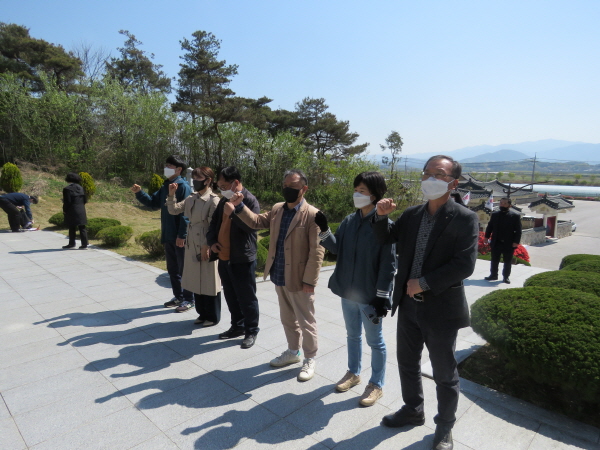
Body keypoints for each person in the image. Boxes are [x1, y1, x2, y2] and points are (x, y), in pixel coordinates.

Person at [372, 155, 479, 450]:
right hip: (408, 305)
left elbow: (465, 264)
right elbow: (385, 238)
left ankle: (444, 427)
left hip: (441, 309)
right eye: (427, 173)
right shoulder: (411, 215)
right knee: (407, 363)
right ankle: (412, 410)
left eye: (439, 174)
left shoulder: (464, 218)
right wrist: (380, 216)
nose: (431, 179)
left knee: (444, 373)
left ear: (453, 183)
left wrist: (425, 282)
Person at [228, 169, 325, 381]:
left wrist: (310, 280)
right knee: (288, 319)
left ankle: (310, 358)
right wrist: (240, 206)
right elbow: (256, 222)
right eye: (285, 186)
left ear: (304, 189)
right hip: (280, 274)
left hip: (300, 278)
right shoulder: (277, 209)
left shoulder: (312, 215)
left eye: (293, 187)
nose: (287, 190)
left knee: (306, 321)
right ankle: (293, 352)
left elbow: (317, 251)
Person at [317, 171, 396, 405]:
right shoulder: (349, 221)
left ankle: (377, 384)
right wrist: (324, 230)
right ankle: (353, 373)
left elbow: (389, 264)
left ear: (375, 194)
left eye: (362, 191)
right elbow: (337, 249)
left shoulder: (384, 225)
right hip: (348, 292)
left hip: (370, 296)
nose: (357, 195)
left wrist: (382, 296)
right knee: (352, 335)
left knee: (375, 342)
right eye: (355, 190)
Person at [206, 166, 260, 349]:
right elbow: (214, 223)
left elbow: (252, 227)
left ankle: (251, 330)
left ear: (235, 183)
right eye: (219, 187)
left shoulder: (250, 200)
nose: (222, 190)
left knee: (247, 297)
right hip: (224, 256)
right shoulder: (224, 200)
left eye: (224, 186)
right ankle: (237, 326)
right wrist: (212, 241)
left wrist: (234, 213)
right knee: (230, 295)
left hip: (242, 258)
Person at [131, 155, 193, 309]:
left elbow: (186, 213)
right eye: (166, 165)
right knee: (173, 269)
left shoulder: (183, 187)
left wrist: (182, 235)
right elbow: (153, 203)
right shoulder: (166, 185)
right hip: (168, 234)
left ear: (179, 169)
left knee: (184, 269)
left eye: (169, 166)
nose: (166, 168)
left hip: (179, 236)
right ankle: (178, 297)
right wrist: (139, 193)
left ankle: (189, 299)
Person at [166, 166, 221, 325]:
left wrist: (206, 246)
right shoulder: (192, 198)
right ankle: (202, 314)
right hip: (191, 243)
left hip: (205, 242)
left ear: (208, 180)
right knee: (195, 280)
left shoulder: (213, 200)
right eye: (194, 178)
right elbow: (174, 210)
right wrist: (171, 195)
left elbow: (213, 227)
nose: (195, 181)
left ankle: (212, 316)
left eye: (198, 178)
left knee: (209, 281)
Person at [484, 197, 522, 284]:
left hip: (509, 242)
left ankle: (506, 277)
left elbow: (518, 231)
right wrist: (486, 237)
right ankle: (493, 275)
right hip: (496, 241)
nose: (502, 205)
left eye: (505, 203)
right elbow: (490, 227)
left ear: (509, 205)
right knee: (494, 260)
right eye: (501, 203)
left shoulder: (515, 216)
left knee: (507, 261)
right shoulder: (495, 215)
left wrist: (516, 242)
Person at [62, 173, 89, 249]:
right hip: (81, 209)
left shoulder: (67, 189)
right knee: (82, 227)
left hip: (72, 209)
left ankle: (71, 243)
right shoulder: (81, 188)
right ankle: (84, 244)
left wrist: (65, 210)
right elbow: (85, 200)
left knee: (72, 227)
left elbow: (67, 201)